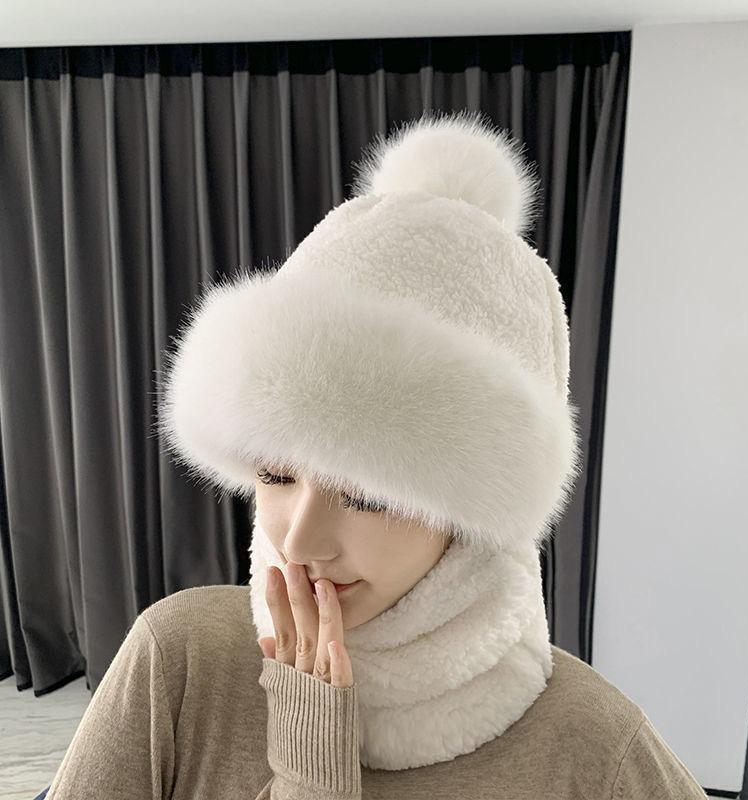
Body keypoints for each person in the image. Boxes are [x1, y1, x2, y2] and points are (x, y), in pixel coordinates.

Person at [46, 109, 709, 799]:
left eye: (367, 494)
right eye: (276, 473)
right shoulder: (177, 660)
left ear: (473, 515)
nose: (299, 540)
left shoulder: (593, 747)